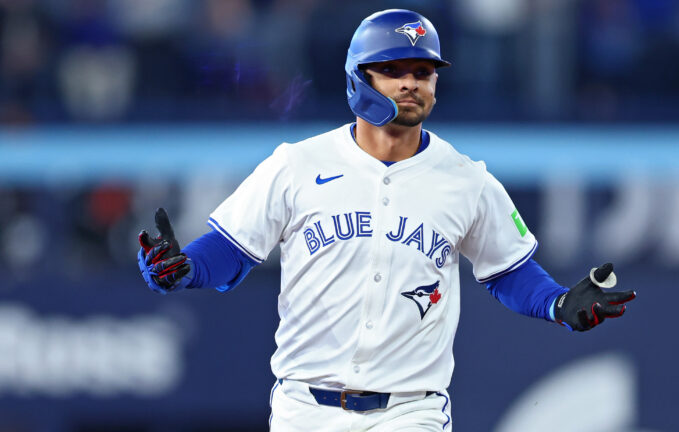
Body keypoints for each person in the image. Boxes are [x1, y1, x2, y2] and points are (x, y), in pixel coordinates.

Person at [137, 9, 636, 431]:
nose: (410, 83)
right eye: (393, 69)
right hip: (305, 410)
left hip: (409, 411)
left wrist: (558, 303)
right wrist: (183, 269)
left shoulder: (466, 180)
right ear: (360, 78)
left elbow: (508, 270)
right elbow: (229, 251)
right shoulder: (297, 165)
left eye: (423, 72)